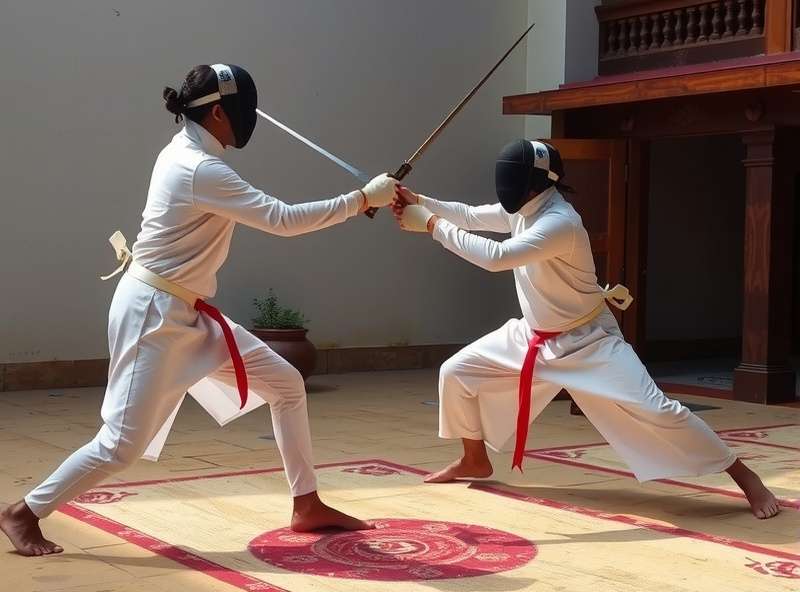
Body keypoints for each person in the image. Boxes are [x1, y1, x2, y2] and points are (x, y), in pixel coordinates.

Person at [1, 64, 398, 556]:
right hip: (155, 315)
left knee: (286, 384)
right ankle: (23, 512)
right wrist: (362, 199)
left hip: (186, 310)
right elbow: (282, 220)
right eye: (241, 111)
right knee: (122, 445)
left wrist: (363, 199)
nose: (248, 120)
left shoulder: (192, 153)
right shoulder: (198, 168)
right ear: (216, 113)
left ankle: (307, 503)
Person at [391, 138, 780, 520]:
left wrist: (431, 226)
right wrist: (419, 202)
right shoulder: (524, 207)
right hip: (533, 335)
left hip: (589, 340)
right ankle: (474, 459)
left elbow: (497, 258)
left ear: (539, 183)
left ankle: (745, 477)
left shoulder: (560, 221)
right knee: (456, 372)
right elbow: (472, 216)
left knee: (660, 410)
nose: (508, 190)